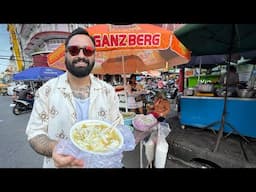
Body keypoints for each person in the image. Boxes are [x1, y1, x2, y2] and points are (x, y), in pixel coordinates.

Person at [25, 27, 124, 168]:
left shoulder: (108, 92)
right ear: (65, 54)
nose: (81, 55)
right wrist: (55, 148)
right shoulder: (46, 91)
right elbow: (35, 133)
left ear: (94, 55)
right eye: (74, 50)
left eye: (88, 50)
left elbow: (117, 128)